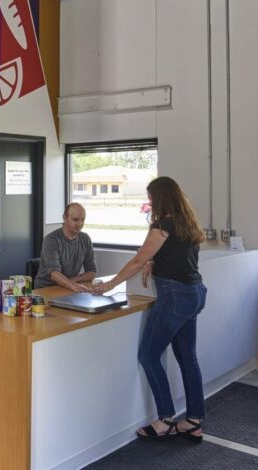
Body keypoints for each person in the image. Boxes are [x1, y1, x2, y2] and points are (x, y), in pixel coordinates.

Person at [93, 176, 207, 442]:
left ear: (161, 198)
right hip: (195, 294)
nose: (150, 202)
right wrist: (154, 264)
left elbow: (137, 260)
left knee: (148, 354)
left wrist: (110, 284)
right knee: (188, 358)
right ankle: (194, 420)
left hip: (174, 297)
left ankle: (165, 419)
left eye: (151, 197)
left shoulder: (162, 226)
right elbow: (180, 259)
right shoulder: (187, 223)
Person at [34, 202, 97, 292]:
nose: (80, 224)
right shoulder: (51, 240)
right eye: (75, 220)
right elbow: (54, 274)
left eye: (82, 220)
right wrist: (74, 286)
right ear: (64, 218)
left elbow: (92, 271)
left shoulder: (85, 239)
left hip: (68, 286)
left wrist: (73, 280)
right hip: (46, 289)